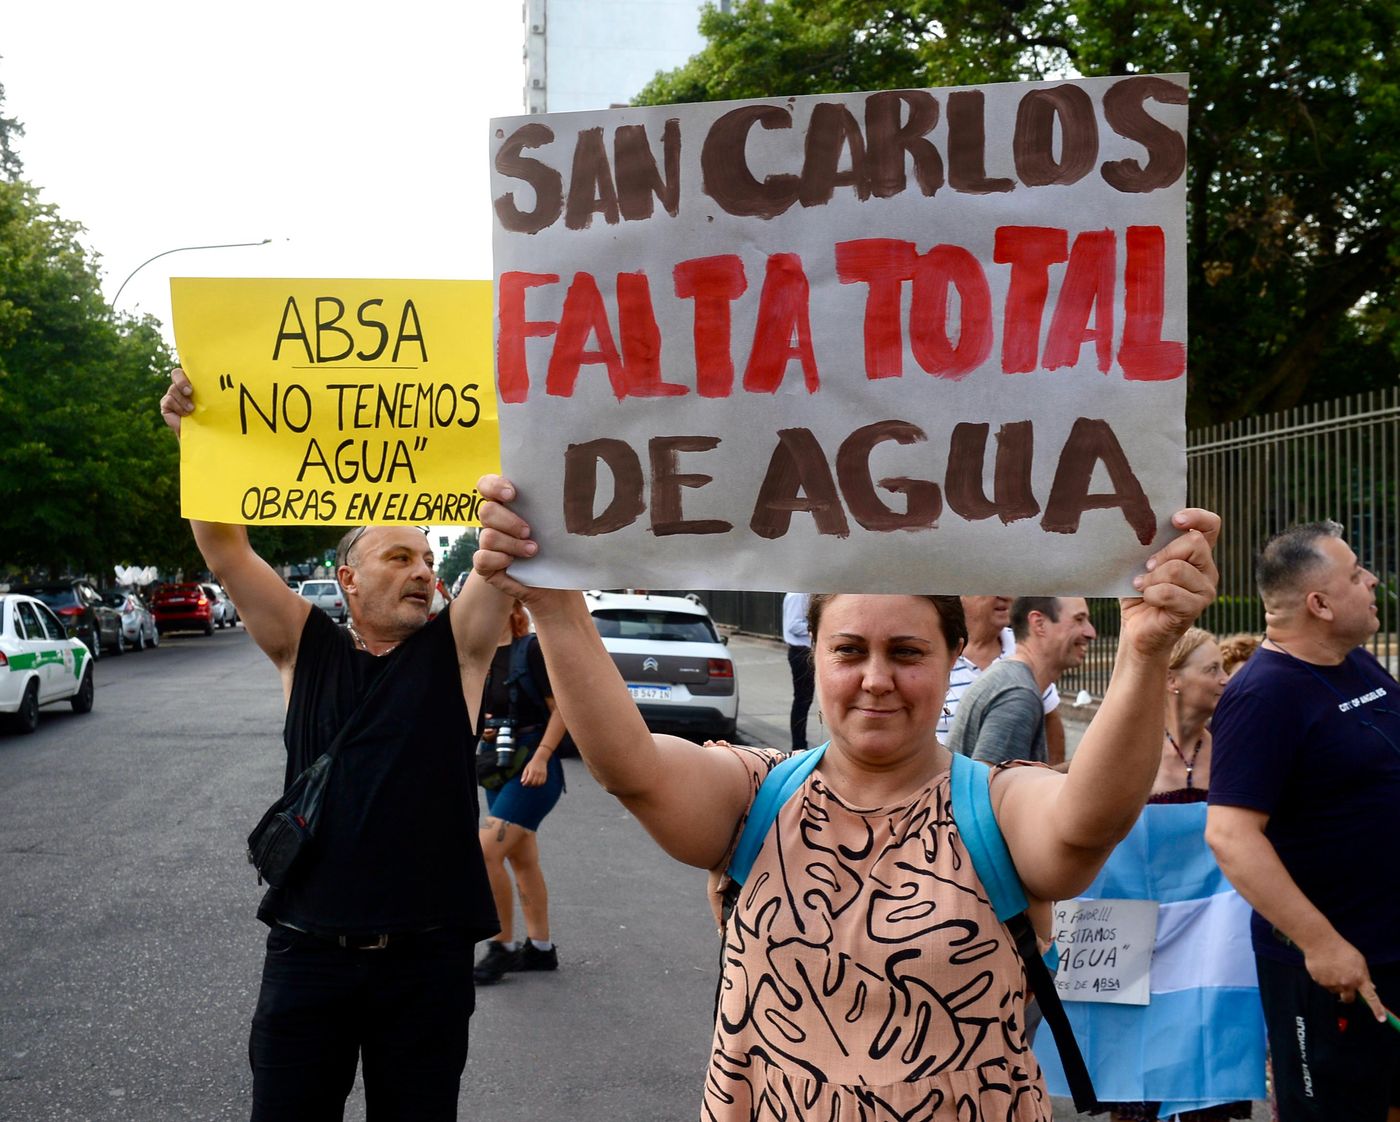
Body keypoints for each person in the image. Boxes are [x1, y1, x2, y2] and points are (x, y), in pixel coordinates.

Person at [473, 473, 1219, 1121]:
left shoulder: (995, 805)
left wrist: (1145, 650)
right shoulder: (758, 795)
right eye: (849, 650)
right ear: (815, 654)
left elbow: (1087, 824)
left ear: (953, 654)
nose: (874, 678)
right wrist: (558, 611)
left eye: (906, 652)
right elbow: (631, 769)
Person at [160, 369, 509, 1121]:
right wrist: (201, 442)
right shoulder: (302, 647)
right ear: (347, 579)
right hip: (308, 956)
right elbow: (224, 548)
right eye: (399, 559)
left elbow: (504, 552)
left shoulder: (459, 652)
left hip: (426, 965)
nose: (422, 571)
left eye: (426, 560)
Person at [1206, 521, 1400, 1122]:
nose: (1371, 581)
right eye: (1355, 573)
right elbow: (1231, 835)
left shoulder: (1357, 663)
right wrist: (1321, 944)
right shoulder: (1262, 696)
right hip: (1333, 973)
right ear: (1318, 603)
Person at [1072, 628, 1256, 1122]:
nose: (1224, 679)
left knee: (1206, 1084)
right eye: (1211, 669)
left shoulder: (1236, 752)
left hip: (1210, 944)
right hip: (1132, 935)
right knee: (1134, 1087)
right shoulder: (1130, 750)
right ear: (1172, 679)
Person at [473, 600, 568, 984]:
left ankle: (502, 947)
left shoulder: (529, 649)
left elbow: (562, 709)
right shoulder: (480, 657)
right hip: (497, 766)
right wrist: (486, 729)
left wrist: (543, 757)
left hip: (534, 770)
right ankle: (541, 948)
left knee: (485, 852)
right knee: (521, 858)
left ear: (511, 608)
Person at [946, 596, 1096, 766]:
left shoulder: (1011, 679)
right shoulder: (1017, 696)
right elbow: (991, 787)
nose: (1091, 632)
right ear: (1039, 624)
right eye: (1079, 620)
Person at [782, 591, 814, 750]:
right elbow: (794, 625)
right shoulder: (798, 595)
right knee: (802, 701)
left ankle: (800, 744)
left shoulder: (802, 594)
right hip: (801, 653)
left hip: (803, 651)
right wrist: (818, 626)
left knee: (804, 701)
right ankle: (799, 746)